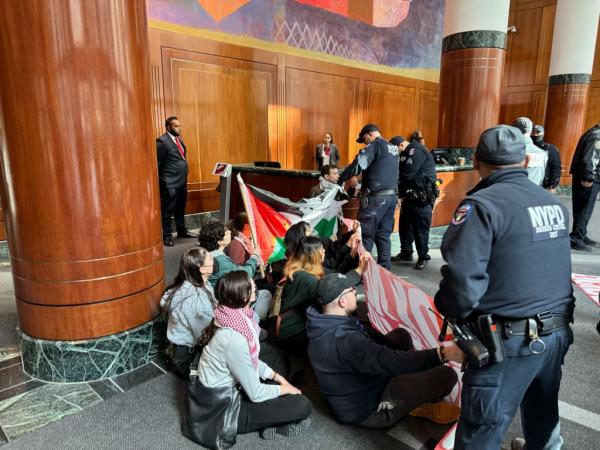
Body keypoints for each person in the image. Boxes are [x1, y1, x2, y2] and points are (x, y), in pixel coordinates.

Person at [434, 125, 574, 450]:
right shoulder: (552, 203)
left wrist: (452, 311)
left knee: (481, 433)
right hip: (556, 334)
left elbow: (461, 286)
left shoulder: (480, 206)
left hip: (507, 344)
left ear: (476, 162)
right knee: (543, 420)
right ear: (524, 160)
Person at [306, 271, 463, 428]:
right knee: (447, 375)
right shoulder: (344, 341)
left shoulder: (324, 319)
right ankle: (413, 404)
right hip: (369, 406)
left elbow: (375, 346)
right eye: (352, 290)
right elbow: (390, 360)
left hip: (364, 380)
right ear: (342, 301)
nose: (355, 291)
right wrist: (443, 354)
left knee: (402, 336)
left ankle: (412, 384)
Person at [198, 271, 312, 440]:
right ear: (244, 297)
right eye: (252, 286)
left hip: (236, 384)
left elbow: (251, 361)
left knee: (279, 359)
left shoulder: (229, 314)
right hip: (223, 409)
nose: (255, 286)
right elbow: (255, 393)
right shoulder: (232, 338)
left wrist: (278, 377)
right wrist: (286, 388)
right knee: (303, 406)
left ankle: (276, 408)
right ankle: (275, 421)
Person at [274, 236, 366, 353]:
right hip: (292, 333)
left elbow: (334, 274)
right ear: (314, 254)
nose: (324, 251)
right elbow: (333, 286)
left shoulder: (306, 268)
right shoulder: (303, 277)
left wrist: (352, 254)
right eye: (322, 249)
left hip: (299, 324)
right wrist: (358, 271)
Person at [338, 124, 399, 270]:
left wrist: (341, 179)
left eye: (364, 139)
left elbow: (359, 164)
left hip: (376, 201)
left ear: (371, 134)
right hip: (391, 199)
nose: (364, 143)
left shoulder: (375, 145)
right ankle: (385, 269)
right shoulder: (392, 148)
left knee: (364, 234)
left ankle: (362, 272)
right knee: (383, 235)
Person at [198, 220, 271, 321]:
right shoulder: (221, 260)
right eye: (225, 231)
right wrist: (254, 257)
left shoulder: (204, 255)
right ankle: (255, 323)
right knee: (265, 294)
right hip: (227, 300)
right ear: (219, 241)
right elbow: (243, 275)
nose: (229, 232)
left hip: (218, 298)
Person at [160, 247, 216, 378]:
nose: (213, 259)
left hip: (187, 349)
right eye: (210, 258)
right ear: (202, 269)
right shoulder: (193, 301)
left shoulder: (197, 284)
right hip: (186, 358)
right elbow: (204, 335)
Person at [390, 135, 438, 270]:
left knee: (420, 229)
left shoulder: (416, 150)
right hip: (409, 197)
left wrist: (395, 179)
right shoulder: (406, 153)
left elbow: (408, 173)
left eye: (395, 150)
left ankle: (423, 256)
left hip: (422, 198)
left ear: (400, 145)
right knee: (405, 226)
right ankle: (406, 252)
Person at [156, 116, 195, 246]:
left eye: (180, 126)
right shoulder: (162, 141)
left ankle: (182, 231)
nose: (179, 128)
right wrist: (164, 180)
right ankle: (166, 236)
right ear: (168, 127)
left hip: (181, 181)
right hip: (169, 183)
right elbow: (157, 162)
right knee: (167, 210)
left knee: (180, 208)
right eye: (176, 126)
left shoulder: (179, 140)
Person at [569, 123, 600, 251]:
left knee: (582, 207)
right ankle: (577, 237)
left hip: (585, 176)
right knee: (584, 209)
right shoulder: (597, 136)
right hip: (588, 178)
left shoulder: (593, 132)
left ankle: (580, 233)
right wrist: (588, 177)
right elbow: (590, 157)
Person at [512, 117, 547, 186]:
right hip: (534, 192)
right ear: (530, 131)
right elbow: (541, 178)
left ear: (513, 130)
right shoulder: (542, 153)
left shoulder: (508, 150)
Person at [531, 124, 562, 193]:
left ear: (542, 133)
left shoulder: (550, 149)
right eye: (533, 132)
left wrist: (553, 185)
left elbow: (556, 168)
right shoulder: (526, 147)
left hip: (543, 185)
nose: (535, 135)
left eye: (537, 132)